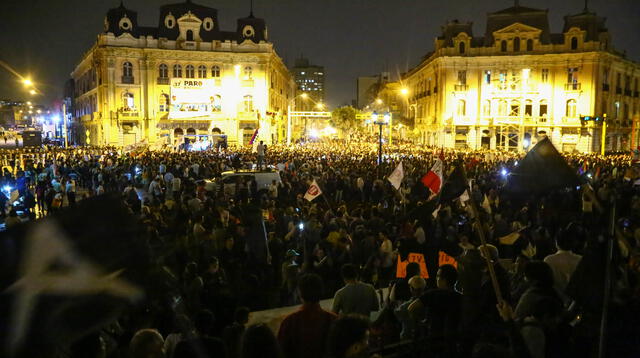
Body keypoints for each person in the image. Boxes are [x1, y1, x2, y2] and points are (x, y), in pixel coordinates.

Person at [278, 273, 337, 358]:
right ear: (321, 291)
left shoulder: (289, 321)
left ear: (300, 293)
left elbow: (281, 351)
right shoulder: (334, 320)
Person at [408, 264, 462, 356]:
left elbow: (411, 308)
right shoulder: (460, 297)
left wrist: (421, 321)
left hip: (435, 339)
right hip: (454, 340)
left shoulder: (433, 295)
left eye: (438, 276)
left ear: (444, 280)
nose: (436, 279)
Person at [544, 228, 582, 300]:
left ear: (556, 243)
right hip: (575, 303)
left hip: (554, 301)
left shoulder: (548, 260)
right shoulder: (580, 260)